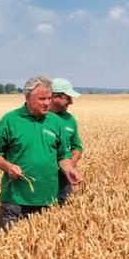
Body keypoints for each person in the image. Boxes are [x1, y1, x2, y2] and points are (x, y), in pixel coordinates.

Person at [0, 76, 83, 229]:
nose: (47, 103)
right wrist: (8, 167)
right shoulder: (10, 120)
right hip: (15, 198)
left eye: (49, 98)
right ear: (27, 97)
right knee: (10, 247)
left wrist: (69, 170)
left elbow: (63, 157)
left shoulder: (56, 122)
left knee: (40, 250)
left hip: (47, 198)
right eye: (42, 99)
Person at [48, 77, 83, 205]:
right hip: (43, 177)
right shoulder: (40, 118)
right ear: (55, 97)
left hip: (64, 177)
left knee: (63, 209)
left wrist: (69, 165)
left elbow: (77, 147)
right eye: (68, 98)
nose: (71, 102)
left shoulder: (69, 119)